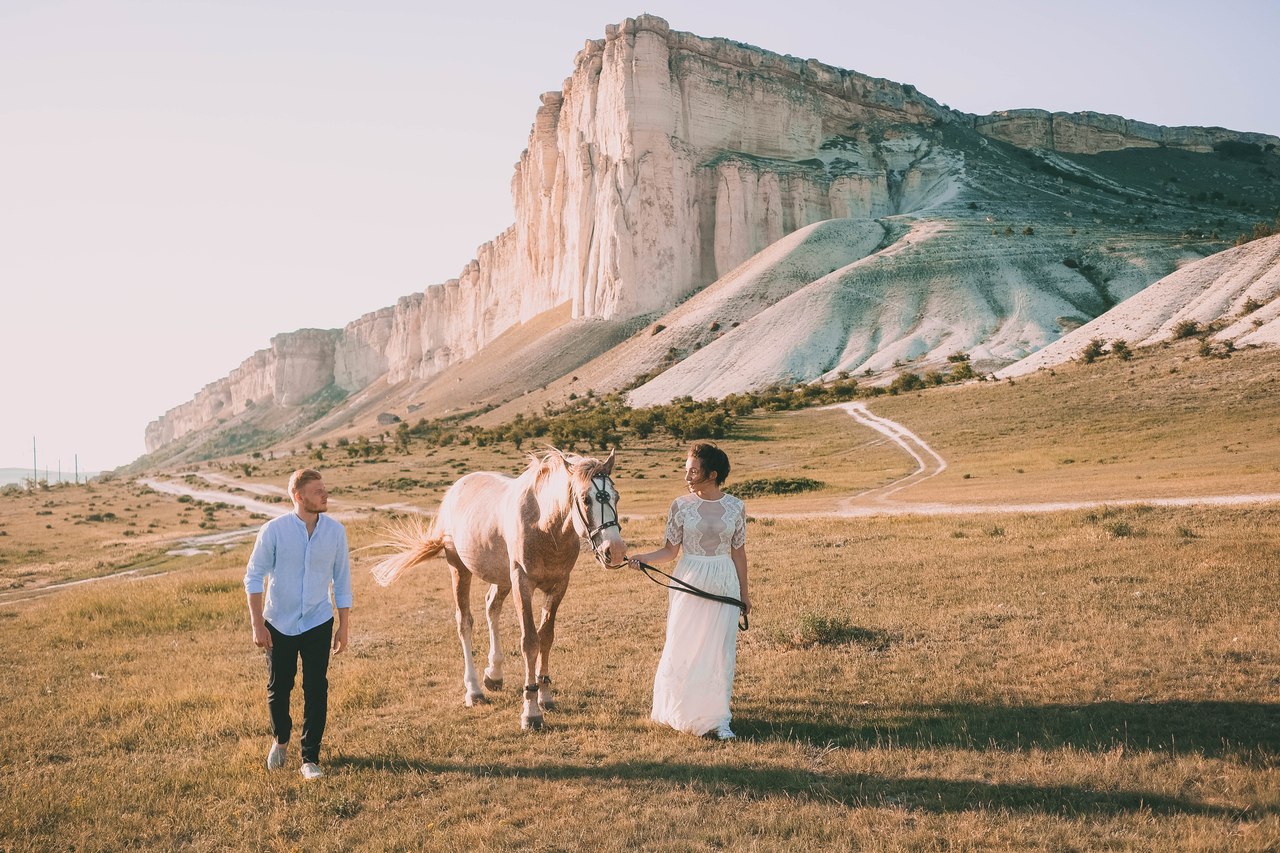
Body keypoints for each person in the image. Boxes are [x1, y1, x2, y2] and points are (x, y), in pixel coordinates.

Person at [628, 442, 750, 739]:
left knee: (718, 650)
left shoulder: (736, 507)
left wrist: (744, 595)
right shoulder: (681, 506)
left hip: (723, 579)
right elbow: (670, 551)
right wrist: (642, 558)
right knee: (683, 643)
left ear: (712, 473)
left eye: (693, 471)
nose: (687, 477)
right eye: (686, 470)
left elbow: (739, 553)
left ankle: (717, 717)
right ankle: (680, 708)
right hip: (689, 579)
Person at [244, 468, 352, 779]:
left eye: (324, 488)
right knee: (280, 687)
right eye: (318, 490)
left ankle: (310, 758)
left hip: (318, 619)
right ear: (299, 496)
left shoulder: (335, 532)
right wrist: (257, 623)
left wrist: (343, 626)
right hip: (279, 622)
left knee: (317, 688)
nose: (325, 494)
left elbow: (342, 581)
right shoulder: (274, 531)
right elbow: (253, 576)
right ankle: (281, 740)